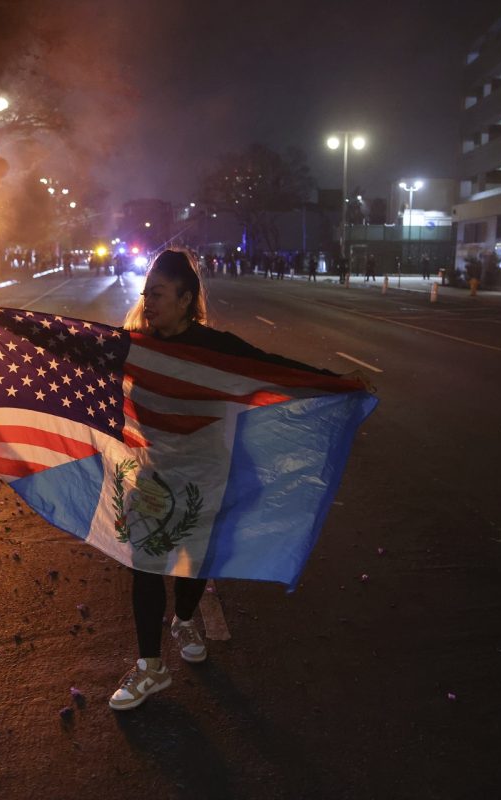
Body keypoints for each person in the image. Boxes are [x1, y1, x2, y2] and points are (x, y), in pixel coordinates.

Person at [108, 249, 367, 711]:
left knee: (194, 556)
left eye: (160, 294)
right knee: (144, 562)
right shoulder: (133, 344)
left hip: (205, 470)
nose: (149, 302)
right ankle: (151, 665)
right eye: (147, 293)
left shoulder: (217, 349)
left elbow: (272, 367)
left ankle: (184, 618)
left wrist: (335, 381)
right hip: (150, 471)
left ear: (187, 300)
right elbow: (68, 343)